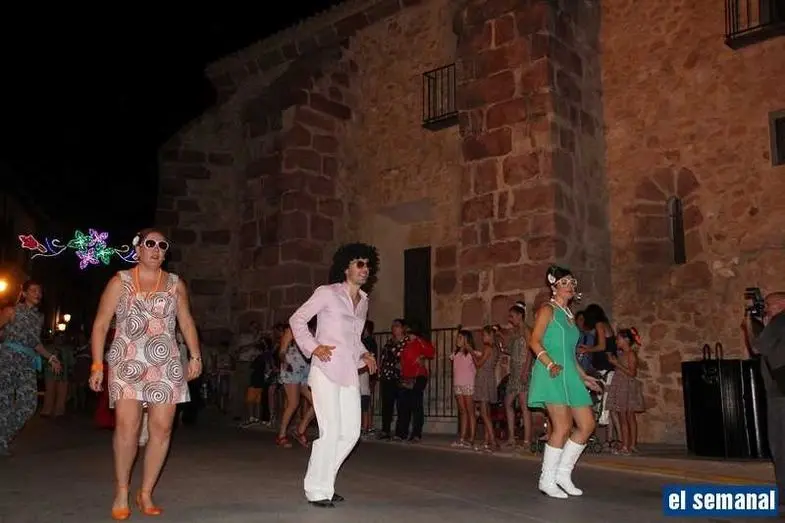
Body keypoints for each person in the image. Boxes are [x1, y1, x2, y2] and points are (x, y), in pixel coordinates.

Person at [88, 228, 202, 520]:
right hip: (127, 361)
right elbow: (101, 324)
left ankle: (146, 491)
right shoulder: (120, 281)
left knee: (162, 428)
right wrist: (97, 364)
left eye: (162, 246)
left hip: (165, 362)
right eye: (150, 244)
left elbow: (186, 322)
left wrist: (195, 355)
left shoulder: (175, 284)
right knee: (127, 427)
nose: (156, 249)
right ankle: (122, 491)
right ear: (138, 249)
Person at [289, 242, 379, 508]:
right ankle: (317, 489)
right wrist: (314, 346)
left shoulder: (363, 302)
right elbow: (297, 320)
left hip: (349, 372)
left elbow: (353, 339)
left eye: (368, 265)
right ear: (346, 267)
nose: (365, 269)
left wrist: (365, 354)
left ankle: (325, 482)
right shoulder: (327, 293)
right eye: (359, 264)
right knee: (331, 431)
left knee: (350, 434)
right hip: (325, 370)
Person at [528, 265, 601, 499]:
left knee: (587, 425)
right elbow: (534, 341)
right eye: (564, 282)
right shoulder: (547, 309)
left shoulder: (569, 315)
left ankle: (562, 474)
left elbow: (569, 355)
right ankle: (546, 479)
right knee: (562, 427)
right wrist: (550, 364)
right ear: (554, 286)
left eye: (572, 282)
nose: (569, 286)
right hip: (551, 372)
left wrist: (584, 376)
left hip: (569, 374)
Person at [0, 280, 63, 456]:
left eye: (39, 291)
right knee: (4, 403)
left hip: (27, 362)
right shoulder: (11, 311)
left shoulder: (39, 317)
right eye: (33, 290)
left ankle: (3, 435)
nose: (37, 294)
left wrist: (51, 357)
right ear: (24, 293)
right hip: (7, 359)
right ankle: (2, 442)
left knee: (29, 404)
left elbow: (35, 343)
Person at [742, 292, 785, 512]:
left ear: (782, 304)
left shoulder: (780, 321)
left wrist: (749, 324)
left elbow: (757, 348)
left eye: (768, 304)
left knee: (780, 446)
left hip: (780, 394)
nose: (765, 308)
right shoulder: (776, 325)